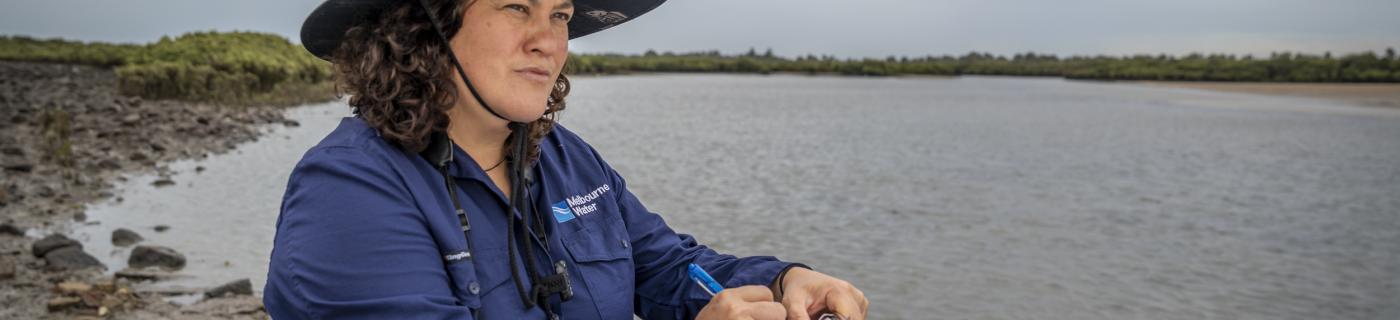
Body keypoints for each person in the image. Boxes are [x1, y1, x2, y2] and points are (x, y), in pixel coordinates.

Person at [262, 0, 869, 319]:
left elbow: (669, 269)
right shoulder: (346, 190)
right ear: (421, 27)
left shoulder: (564, 159)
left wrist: (789, 283)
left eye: (560, 14)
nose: (549, 41)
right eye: (517, 7)